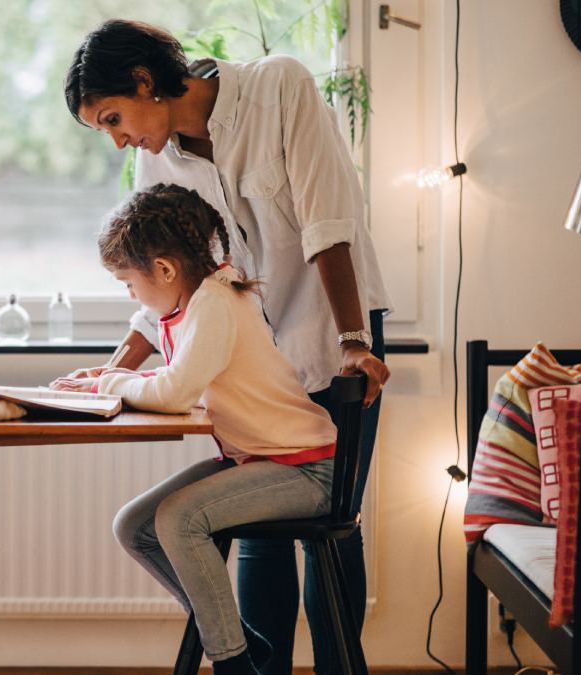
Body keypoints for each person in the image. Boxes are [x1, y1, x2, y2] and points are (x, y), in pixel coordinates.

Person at [63, 19, 391, 674]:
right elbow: (162, 278)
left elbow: (329, 221)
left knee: (332, 527)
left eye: (111, 117)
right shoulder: (155, 155)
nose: (117, 138)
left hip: (334, 333)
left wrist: (353, 341)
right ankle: (261, 664)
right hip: (253, 356)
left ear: (144, 81)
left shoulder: (279, 88)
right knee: (258, 542)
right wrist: (113, 369)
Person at [53, 183, 338, 675]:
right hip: (263, 461)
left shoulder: (216, 303)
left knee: (179, 519)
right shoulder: (199, 302)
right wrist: (107, 377)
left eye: (128, 281)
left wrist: (114, 384)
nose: (130, 293)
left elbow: (175, 392)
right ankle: (239, 639)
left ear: (164, 269)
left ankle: (233, 663)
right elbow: (177, 379)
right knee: (135, 526)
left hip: (309, 471)